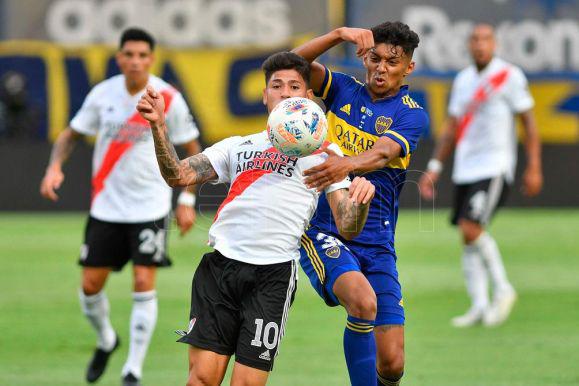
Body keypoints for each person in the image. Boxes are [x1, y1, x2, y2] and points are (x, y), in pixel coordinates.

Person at [136, 51, 376, 386]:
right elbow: (178, 175)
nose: (284, 91)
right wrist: (159, 126)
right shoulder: (238, 146)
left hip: (273, 276)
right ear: (265, 95)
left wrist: (361, 201)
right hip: (220, 269)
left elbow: (348, 226)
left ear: (308, 97)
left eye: (294, 85)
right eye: (276, 85)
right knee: (201, 380)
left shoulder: (326, 155)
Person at [39, 28, 201, 386]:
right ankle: (107, 340)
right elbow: (70, 135)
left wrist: (186, 198)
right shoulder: (103, 94)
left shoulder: (168, 98)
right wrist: (54, 166)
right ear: (119, 58)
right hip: (107, 208)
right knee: (90, 286)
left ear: (151, 59)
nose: (136, 61)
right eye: (129, 54)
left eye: (143, 55)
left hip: (150, 207)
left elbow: (194, 150)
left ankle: (133, 370)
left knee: (144, 282)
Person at [292, 22, 428, 386]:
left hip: (378, 243)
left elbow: (383, 153)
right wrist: (338, 35)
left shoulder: (411, 113)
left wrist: (346, 163)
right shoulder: (342, 89)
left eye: (392, 62)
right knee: (363, 303)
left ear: (408, 68)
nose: (381, 68)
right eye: (375, 58)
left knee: (393, 363)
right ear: (365, 57)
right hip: (327, 231)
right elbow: (289, 66)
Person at [418, 24, 542, 328]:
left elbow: (529, 121)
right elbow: (452, 127)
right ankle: (479, 305)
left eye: (485, 39)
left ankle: (503, 289)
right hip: (466, 166)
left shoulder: (509, 75)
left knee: (471, 227)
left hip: (495, 164)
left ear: (494, 44)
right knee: (466, 233)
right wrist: (434, 166)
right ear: (469, 46)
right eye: (474, 40)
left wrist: (534, 166)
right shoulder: (463, 80)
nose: (480, 45)